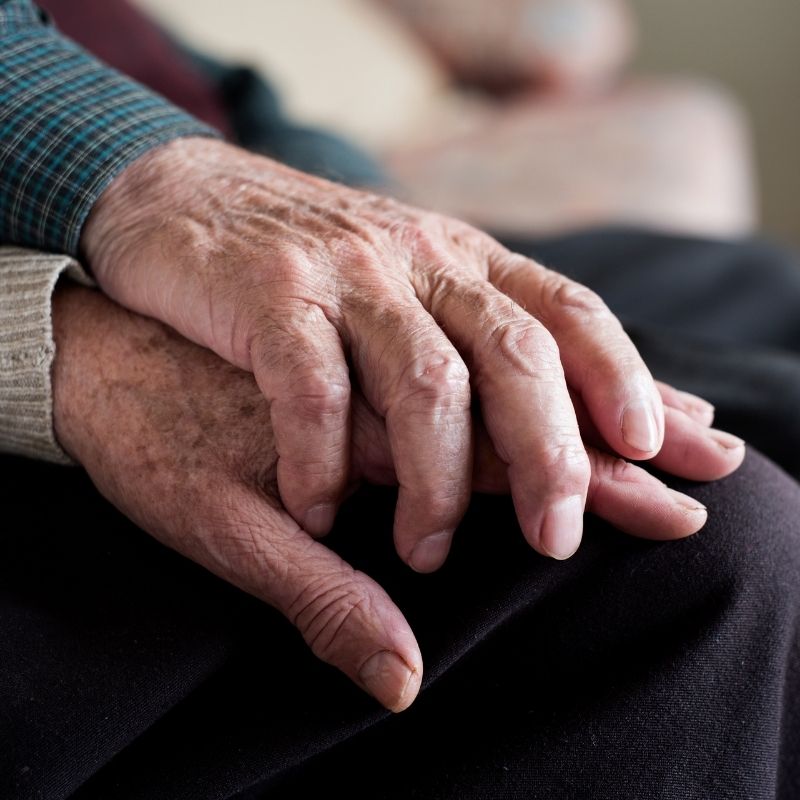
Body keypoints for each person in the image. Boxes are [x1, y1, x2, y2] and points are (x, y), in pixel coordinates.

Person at [0, 1, 798, 798]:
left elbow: (230, 91)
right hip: (57, 345)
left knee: (768, 307)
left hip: (221, 204)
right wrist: (54, 335)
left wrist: (361, 226)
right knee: (691, 545)